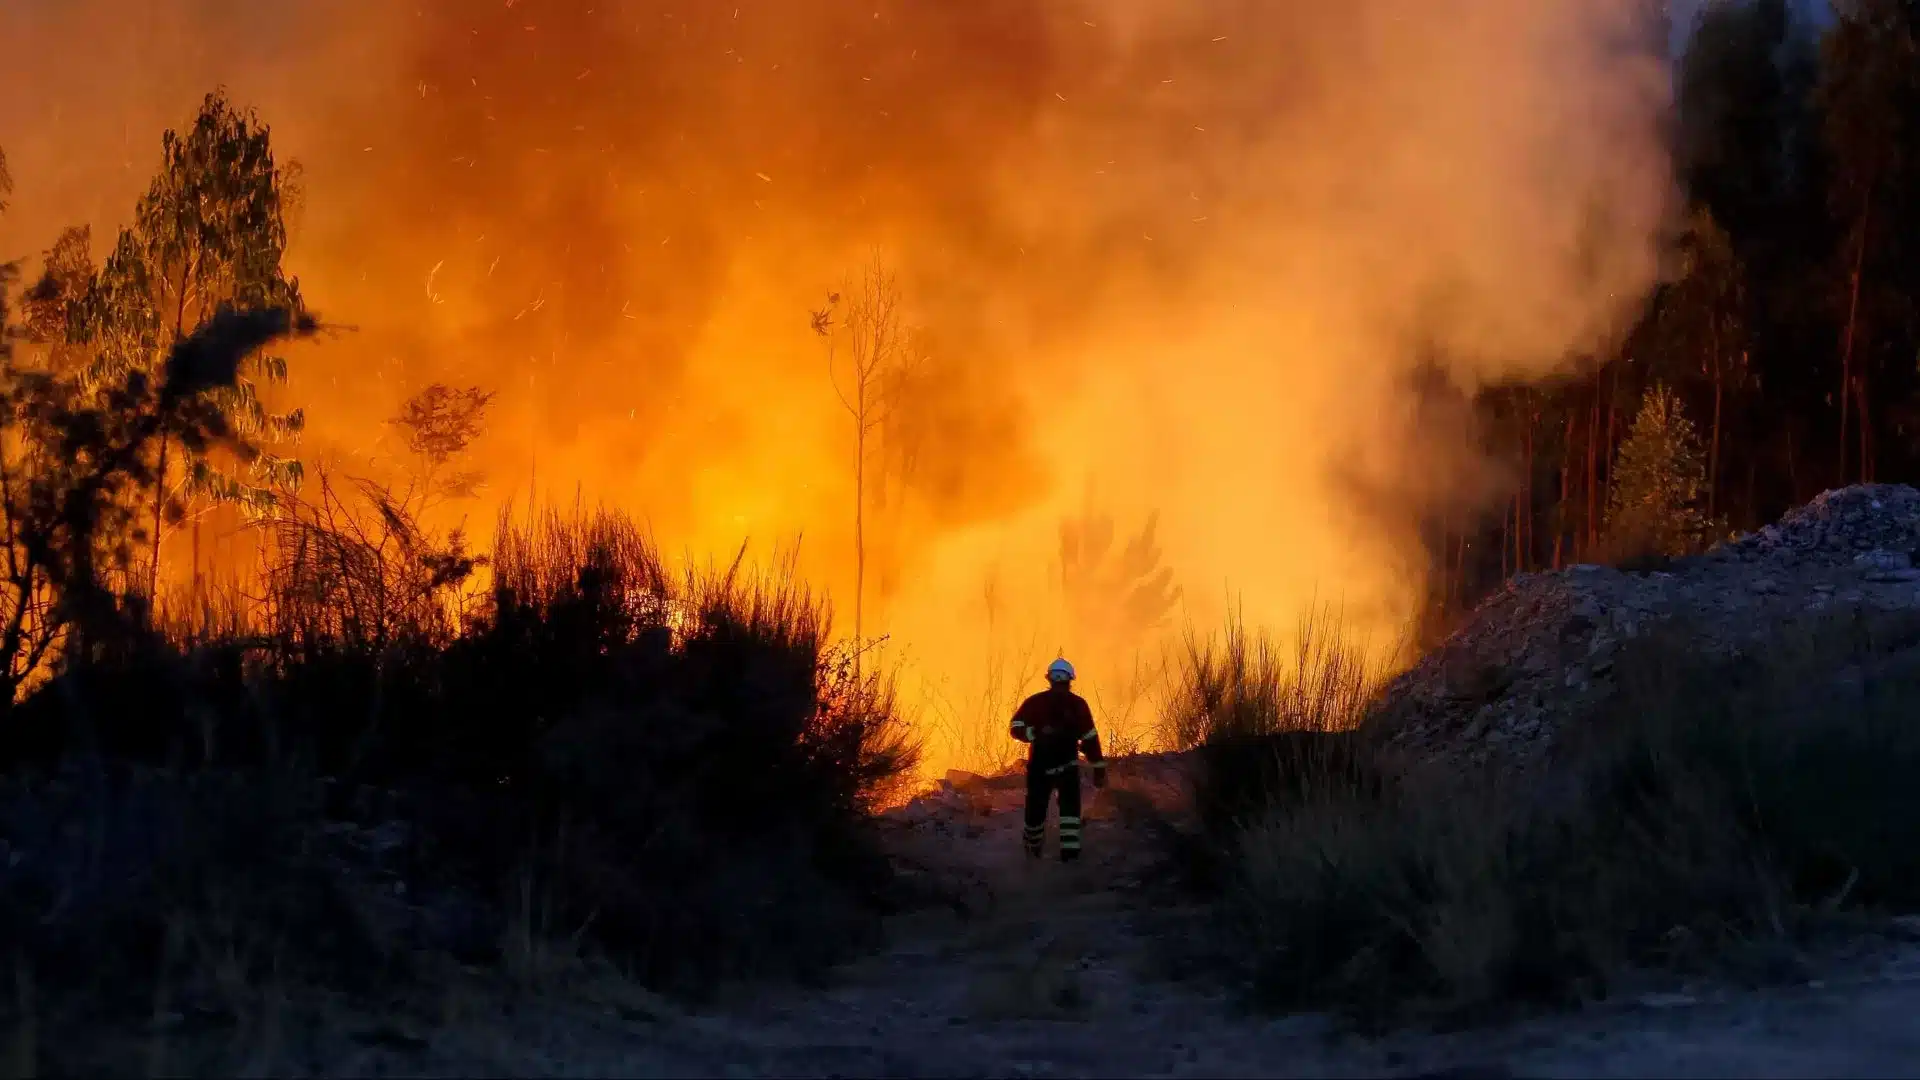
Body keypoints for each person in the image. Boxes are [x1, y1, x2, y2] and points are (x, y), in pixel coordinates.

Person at [1008, 657, 1107, 862]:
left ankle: (1033, 857)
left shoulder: (1035, 702)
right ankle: (1069, 861)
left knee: (1037, 813)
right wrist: (1098, 769)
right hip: (1063, 768)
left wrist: (1032, 734)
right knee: (1068, 815)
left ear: (1049, 679)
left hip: (1042, 769)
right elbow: (1090, 740)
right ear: (1070, 680)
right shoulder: (1078, 705)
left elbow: (1015, 727)